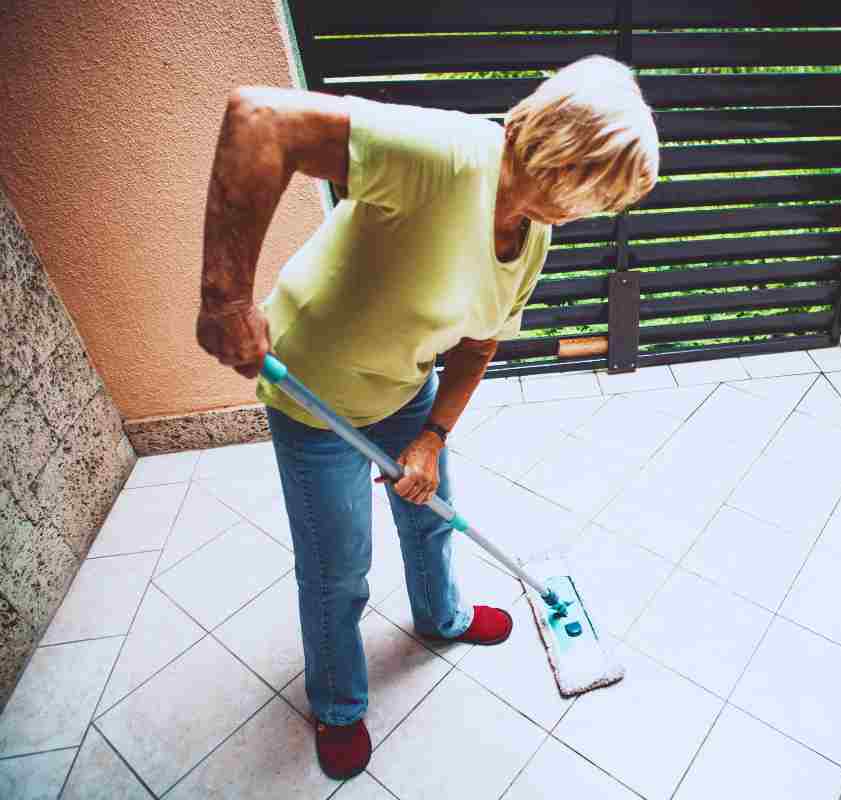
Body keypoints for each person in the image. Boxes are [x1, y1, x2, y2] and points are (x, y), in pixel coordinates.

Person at [195, 55, 659, 780]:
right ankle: (340, 704)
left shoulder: (533, 235)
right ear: (571, 156)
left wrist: (433, 436)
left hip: (404, 384)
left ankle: (441, 616)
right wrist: (226, 298)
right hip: (314, 392)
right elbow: (261, 118)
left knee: (433, 510)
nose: (600, 209)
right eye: (604, 191)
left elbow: (478, 345)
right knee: (338, 568)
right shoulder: (450, 154)